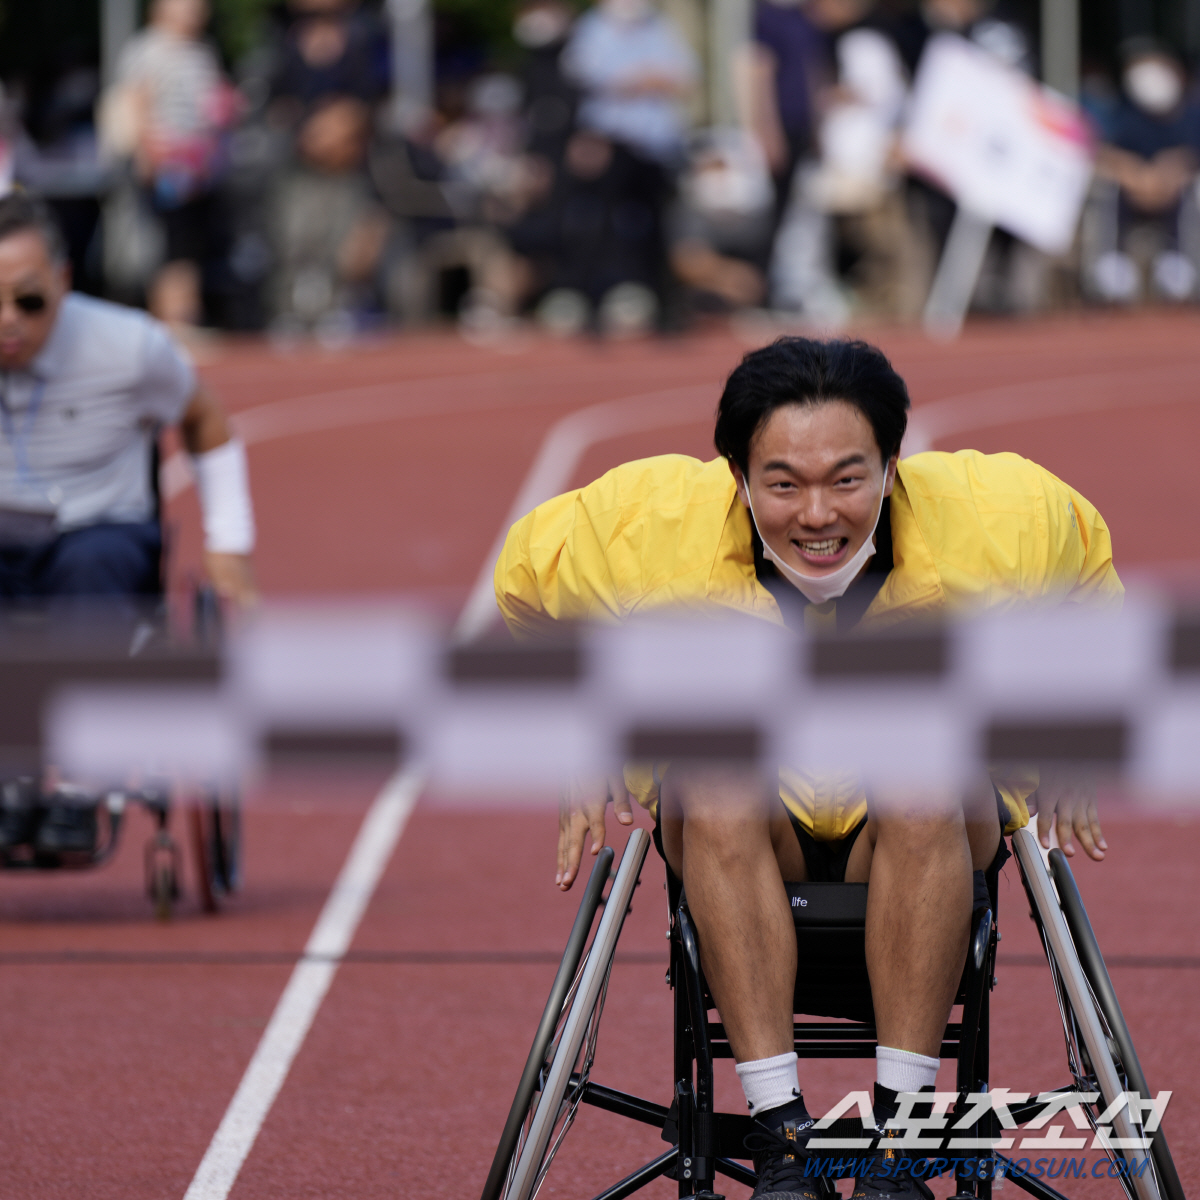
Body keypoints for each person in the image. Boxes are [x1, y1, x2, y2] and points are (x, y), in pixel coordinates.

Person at [494, 337, 1119, 1200]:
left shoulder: (1000, 516)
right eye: (783, 484)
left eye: (847, 480)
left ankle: (902, 1141)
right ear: (739, 478)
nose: (817, 514)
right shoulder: (648, 523)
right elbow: (524, 584)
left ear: (894, 468)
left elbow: (1090, 579)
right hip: (751, 832)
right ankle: (783, 1136)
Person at [107, 0, 241, 329]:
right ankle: (174, 321)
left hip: (199, 169)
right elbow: (134, 101)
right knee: (169, 246)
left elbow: (212, 106)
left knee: (191, 245)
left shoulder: (202, 51)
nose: (197, 10)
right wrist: (146, 153)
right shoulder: (147, 48)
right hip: (165, 166)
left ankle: (186, 315)